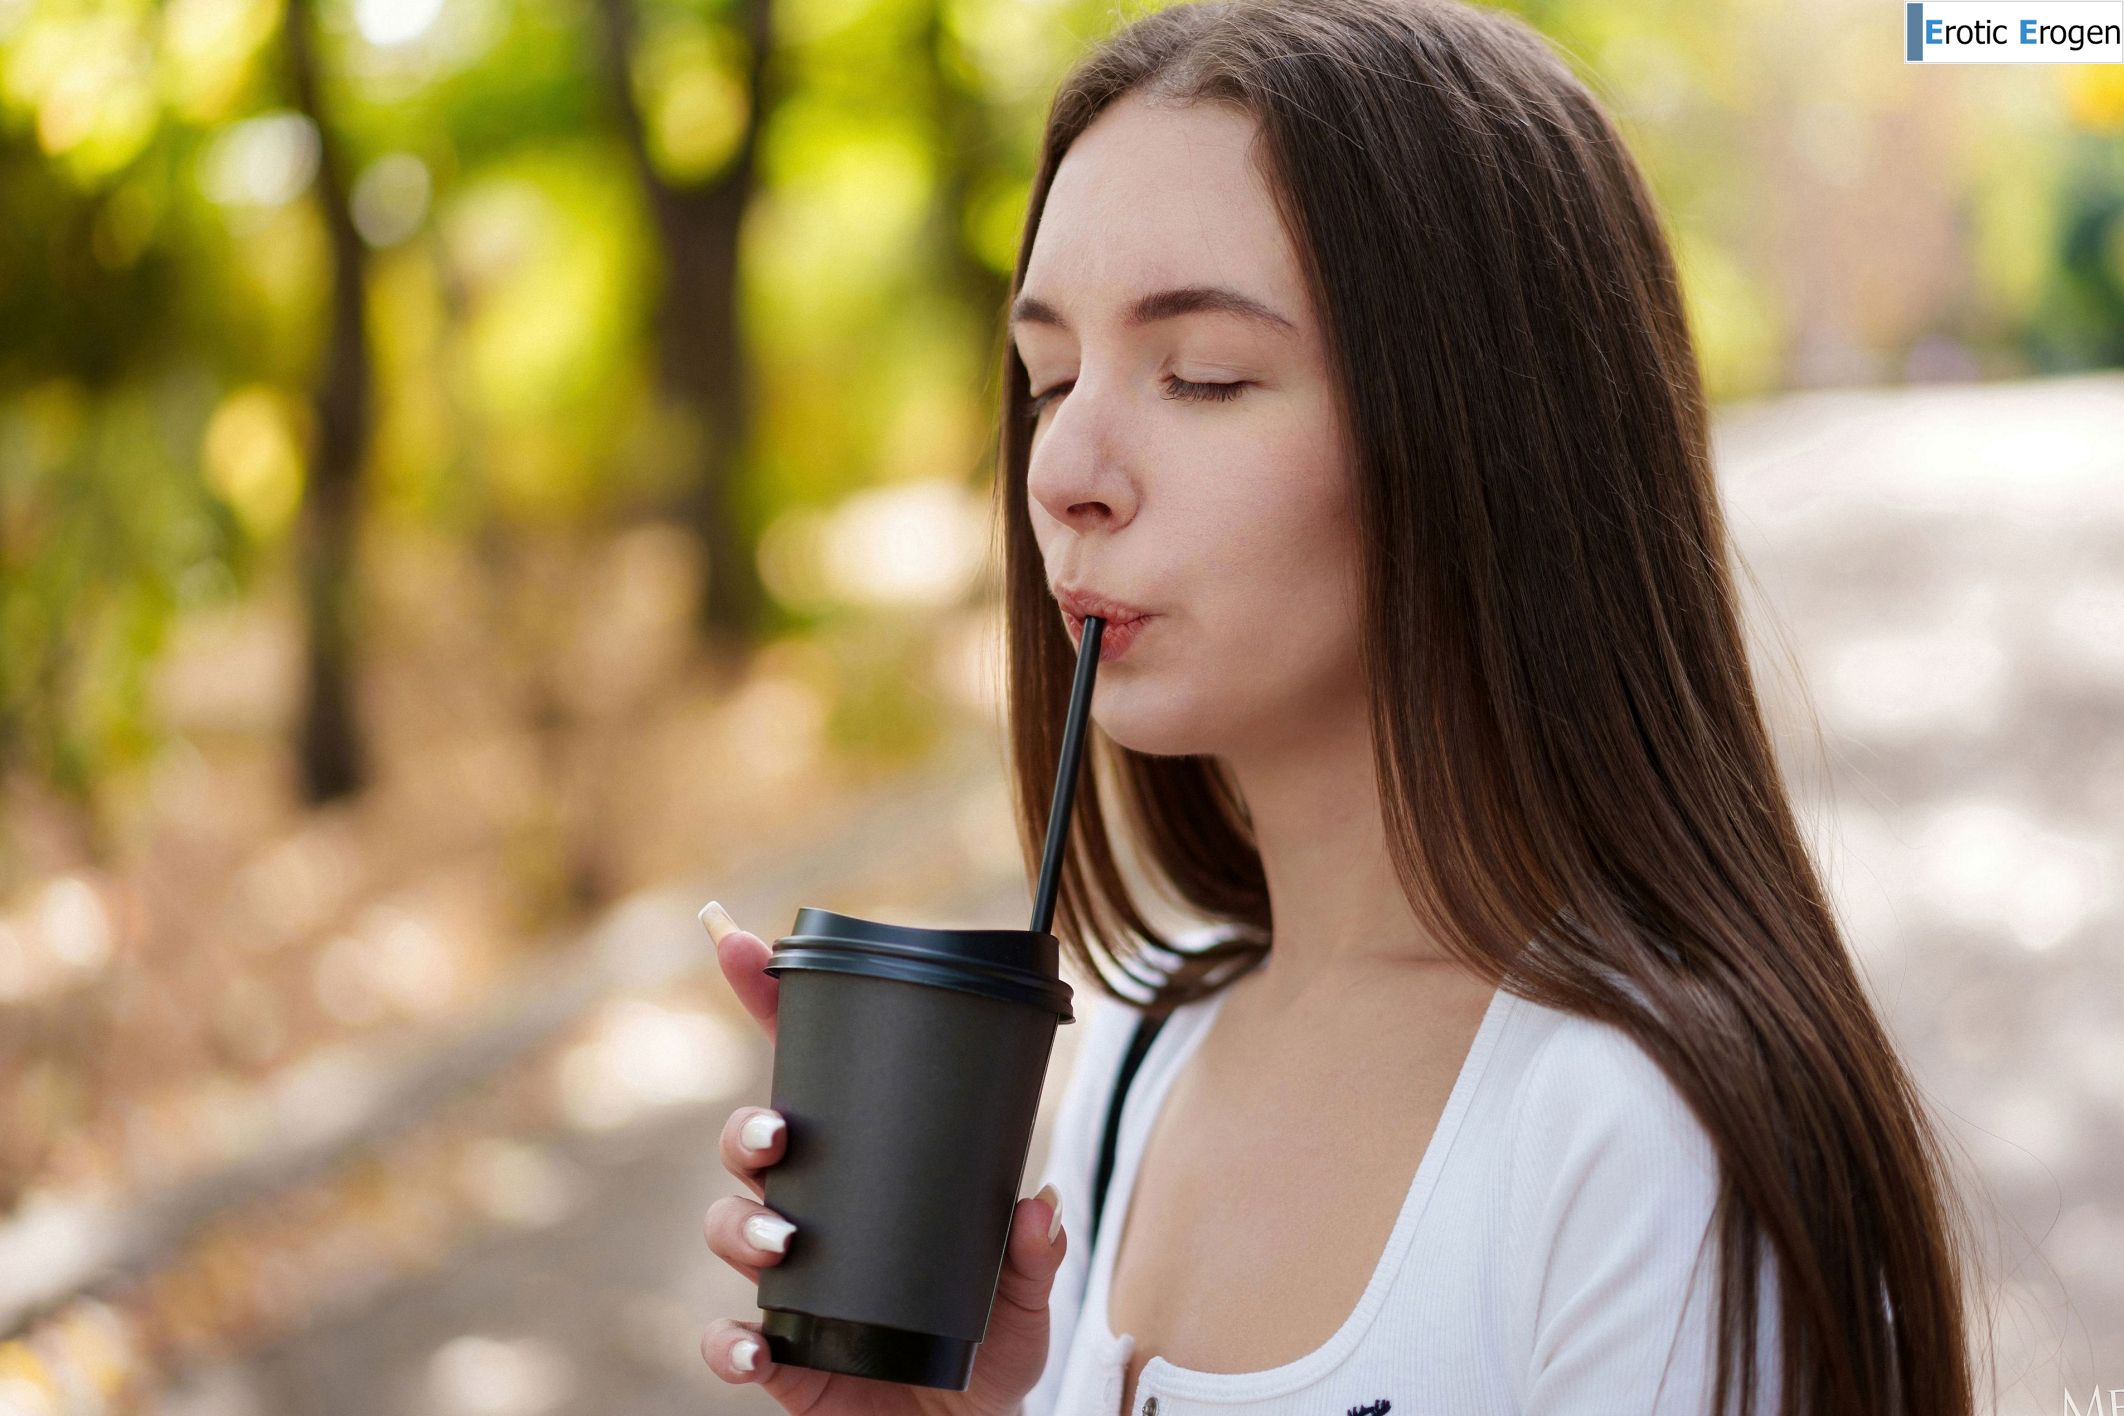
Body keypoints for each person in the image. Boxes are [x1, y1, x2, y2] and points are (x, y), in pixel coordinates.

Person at [691, 1, 1982, 1413]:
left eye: (1202, 377)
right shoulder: (1136, 1043)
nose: (1063, 469)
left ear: (1484, 438)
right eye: (1050, 377)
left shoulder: (1645, 1139)